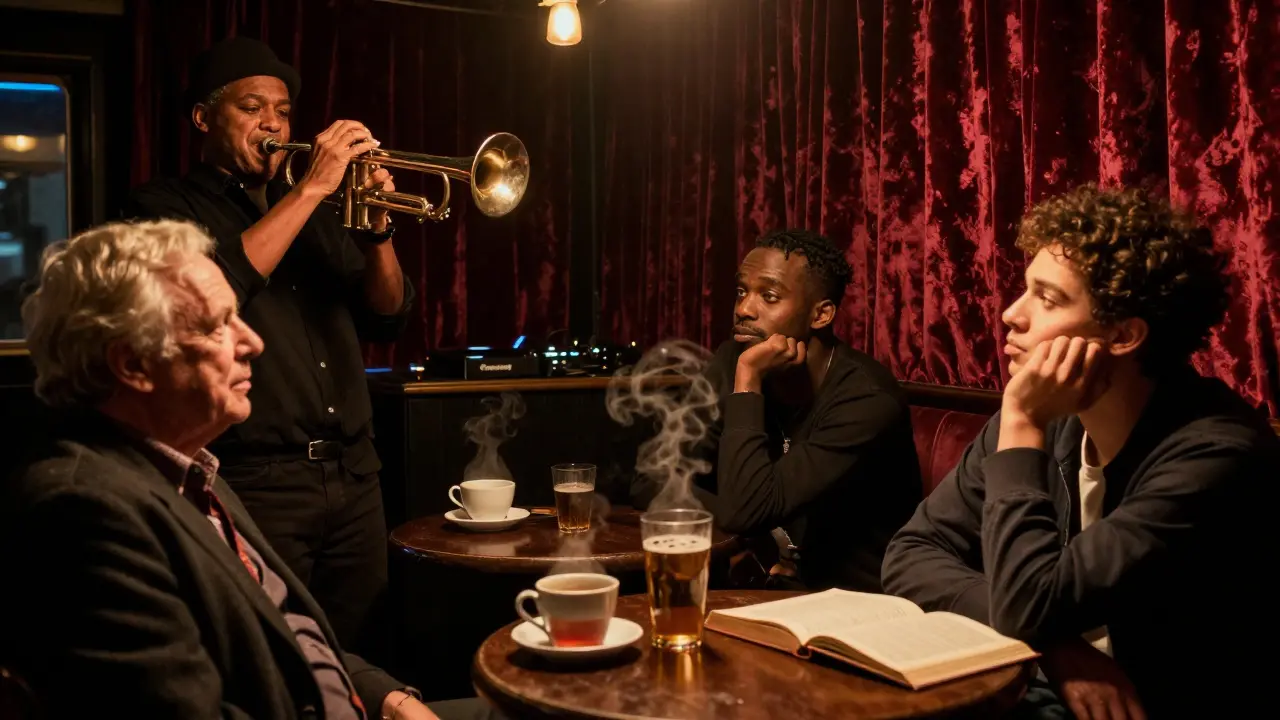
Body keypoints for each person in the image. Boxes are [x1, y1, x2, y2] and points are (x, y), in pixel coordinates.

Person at [0, 219, 499, 720]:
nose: (253, 342)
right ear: (131, 364)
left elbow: (281, 628)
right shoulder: (84, 512)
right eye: (216, 325)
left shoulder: (191, 470)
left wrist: (386, 698)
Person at [881, 184, 1277, 718]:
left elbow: (1027, 606)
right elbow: (909, 555)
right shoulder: (1054, 417)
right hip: (1047, 690)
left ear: (1122, 335)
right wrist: (1059, 650)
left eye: (1047, 298)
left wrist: (1022, 422)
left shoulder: (1215, 457)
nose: (1011, 316)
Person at [125, 36, 412, 656]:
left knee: (360, 648)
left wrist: (379, 233)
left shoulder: (316, 208)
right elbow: (215, 291)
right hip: (259, 478)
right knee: (271, 649)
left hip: (356, 473)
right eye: (252, 108)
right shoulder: (162, 207)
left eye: (282, 111)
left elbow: (387, 317)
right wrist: (311, 190)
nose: (274, 125)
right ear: (204, 118)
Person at [636, 229, 922, 592]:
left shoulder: (867, 398)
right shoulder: (732, 361)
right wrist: (760, 536)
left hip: (859, 600)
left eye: (769, 296)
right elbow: (649, 479)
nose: (743, 309)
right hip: (770, 585)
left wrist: (750, 380)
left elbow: (744, 510)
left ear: (821, 314)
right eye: (742, 292)